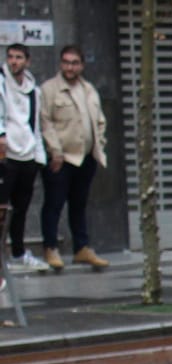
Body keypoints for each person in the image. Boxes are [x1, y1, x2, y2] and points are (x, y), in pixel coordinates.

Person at [39, 45, 108, 272]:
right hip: (61, 158)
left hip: (85, 157)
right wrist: (54, 151)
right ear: (60, 64)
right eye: (66, 62)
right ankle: (50, 247)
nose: (70, 67)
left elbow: (99, 120)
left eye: (74, 63)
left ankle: (82, 247)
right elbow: (45, 122)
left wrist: (99, 146)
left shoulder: (89, 90)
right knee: (54, 203)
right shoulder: (49, 90)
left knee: (79, 204)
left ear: (81, 65)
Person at [0, 43, 46, 272]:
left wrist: (39, 157)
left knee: (21, 209)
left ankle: (18, 253)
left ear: (27, 61)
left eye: (18, 57)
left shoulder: (33, 91)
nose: (13, 61)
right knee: (2, 208)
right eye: (10, 57)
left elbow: (36, 126)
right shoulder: (2, 82)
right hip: (6, 156)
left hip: (27, 157)